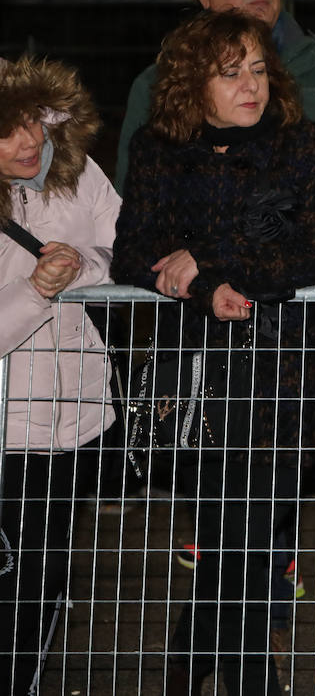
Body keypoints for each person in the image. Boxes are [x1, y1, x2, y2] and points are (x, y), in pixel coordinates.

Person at [111, 0, 315, 666]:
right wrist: (186, 276)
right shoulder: (158, 94)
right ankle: (253, 633)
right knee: (231, 515)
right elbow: (139, 231)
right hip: (209, 349)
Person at [112, 10, 315, 694]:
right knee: (230, 541)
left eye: (258, 68)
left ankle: (220, 672)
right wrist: (202, 285)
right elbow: (131, 253)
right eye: (230, 72)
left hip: (283, 378)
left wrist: (205, 264)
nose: (252, 84)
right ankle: (203, 664)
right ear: (192, 84)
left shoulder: (303, 145)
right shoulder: (158, 150)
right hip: (198, 381)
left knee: (240, 541)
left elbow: (312, 254)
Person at [0, 57, 119, 695]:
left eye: (32, 125)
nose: (27, 143)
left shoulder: (78, 175)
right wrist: (34, 292)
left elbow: (126, 247)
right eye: (7, 130)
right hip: (7, 425)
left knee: (43, 577)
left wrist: (81, 270)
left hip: (72, 420)